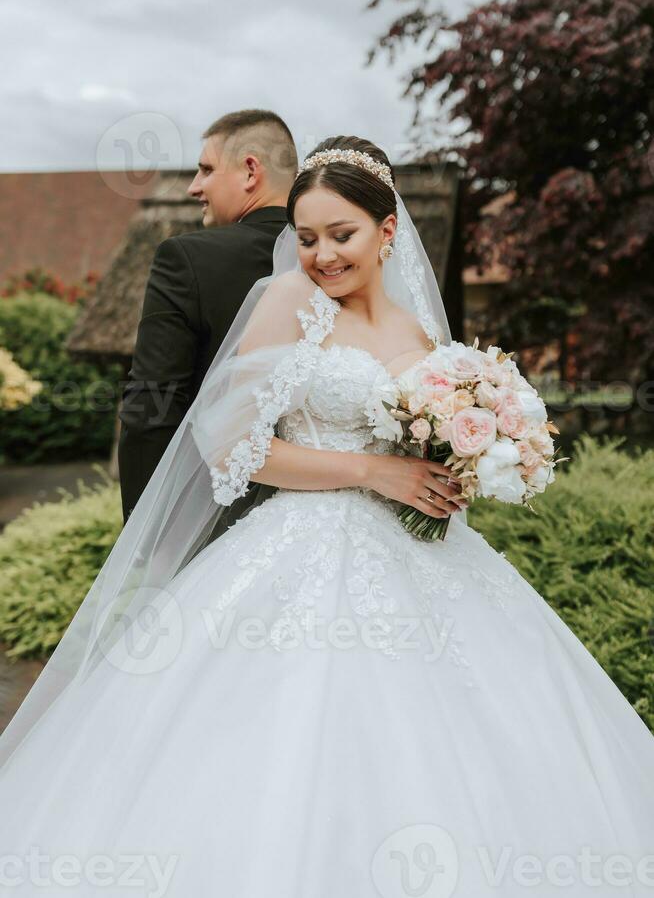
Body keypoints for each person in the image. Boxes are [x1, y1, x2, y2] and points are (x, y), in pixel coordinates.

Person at [0, 137, 653, 897]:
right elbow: (230, 444)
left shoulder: (422, 335)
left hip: (432, 565)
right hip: (301, 551)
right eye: (305, 238)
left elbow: (428, 442)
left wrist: (469, 466)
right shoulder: (290, 304)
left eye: (339, 235)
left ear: (386, 231)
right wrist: (377, 471)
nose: (320, 256)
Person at [117, 108, 297, 523]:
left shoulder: (186, 259)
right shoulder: (348, 264)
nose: (194, 187)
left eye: (206, 169)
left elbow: (153, 401)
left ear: (251, 171)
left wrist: (147, 532)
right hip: (344, 516)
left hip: (215, 526)